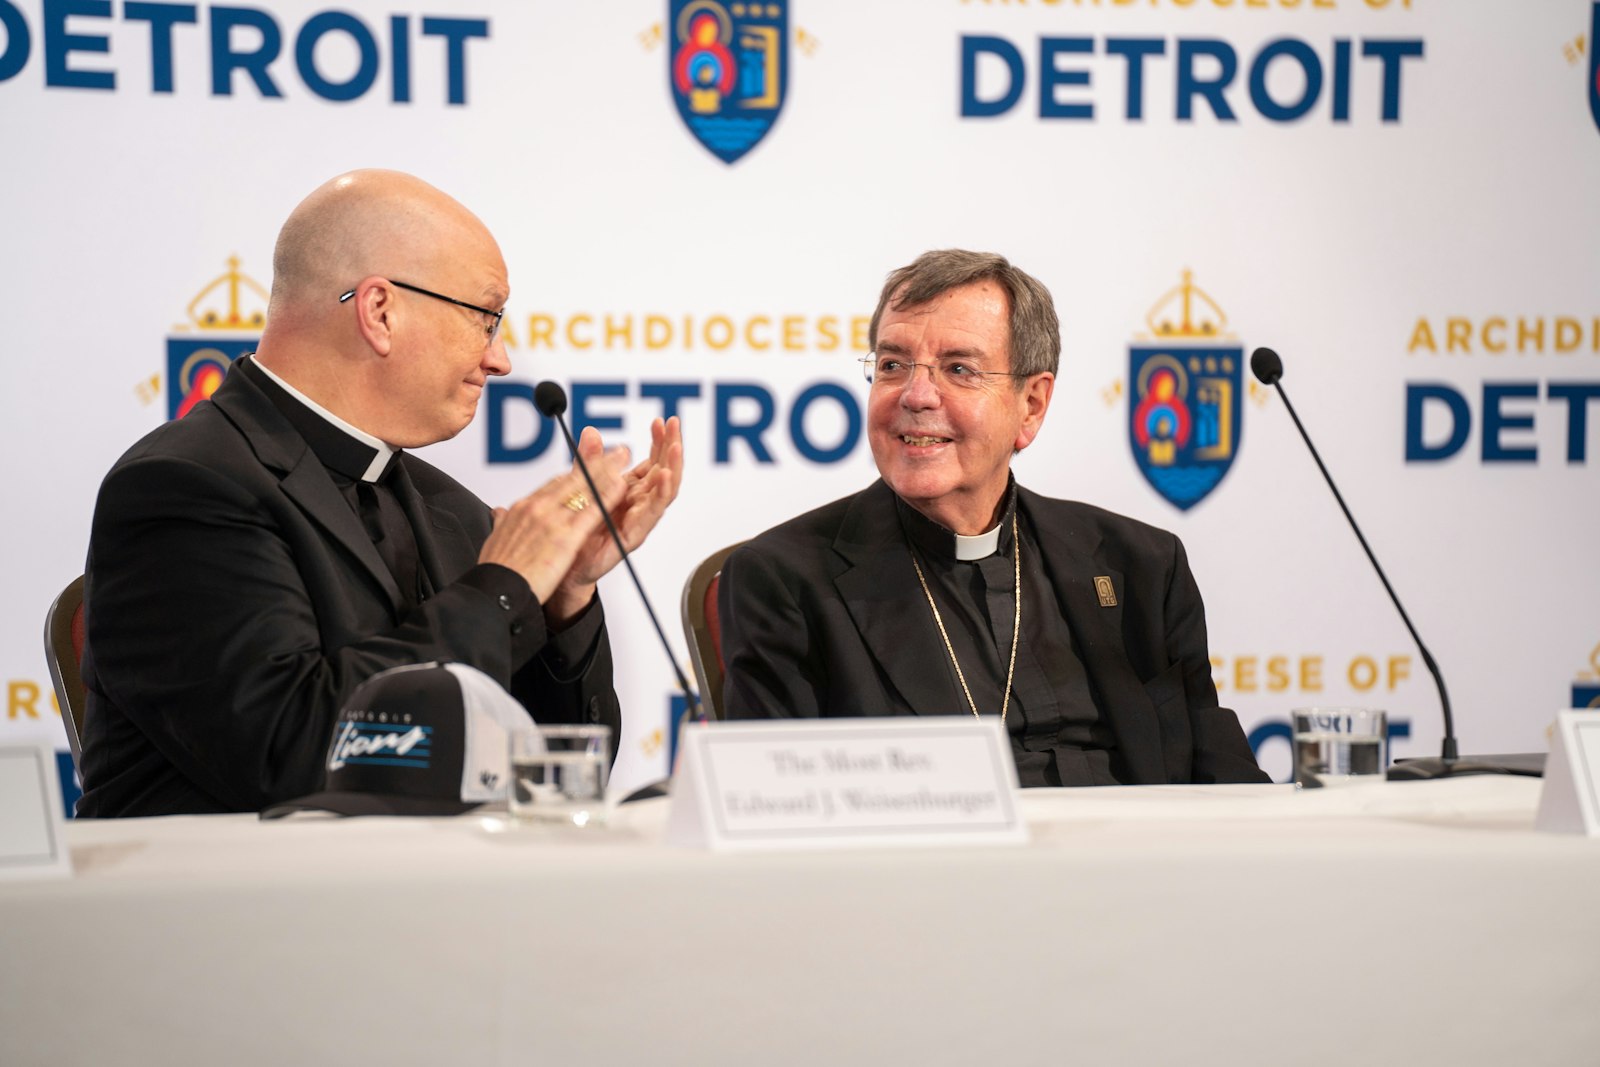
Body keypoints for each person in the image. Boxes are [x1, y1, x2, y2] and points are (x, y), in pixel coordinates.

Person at [77, 170, 683, 816]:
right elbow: (296, 756)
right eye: (486, 316)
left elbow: (551, 777)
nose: (500, 357)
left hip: (431, 900)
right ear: (380, 311)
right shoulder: (181, 490)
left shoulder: (452, 509)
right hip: (230, 909)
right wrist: (502, 587)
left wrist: (561, 597)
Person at [718, 249, 1266, 787]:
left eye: (958, 369)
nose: (916, 394)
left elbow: (1226, 783)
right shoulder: (787, 580)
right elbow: (777, 819)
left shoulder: (1140, 566)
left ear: (1031, 404)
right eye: (892, 365)